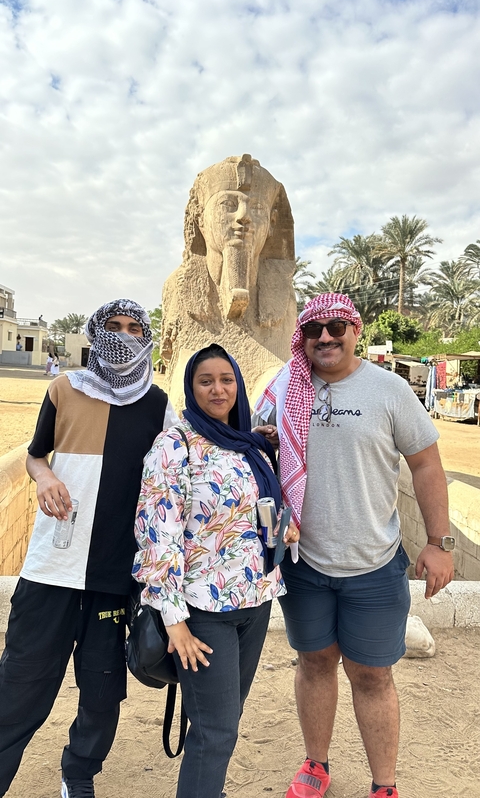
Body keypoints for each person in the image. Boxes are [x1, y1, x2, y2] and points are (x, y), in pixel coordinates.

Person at [253, 293, 454, 798]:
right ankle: (315, 765)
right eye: (315, 328)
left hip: (374, 565)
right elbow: (250, 457)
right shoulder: (282, 389)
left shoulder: (389, 390)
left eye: (336, 327)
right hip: (304, 563)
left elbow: (426, 464)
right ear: (304, 334)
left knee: (372, 675)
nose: (325, 337)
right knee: (315, 663)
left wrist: (439, 542)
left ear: (355, 330)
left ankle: (383, 785)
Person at [0, 299, 177, 798]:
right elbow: (35, 457)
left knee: (102, 693)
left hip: (113, 575)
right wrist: (45, 477)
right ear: (94, 333)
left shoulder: (159, 404)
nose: (123, 336)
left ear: (147, 336)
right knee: (20, 685)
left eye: (134, 328)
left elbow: (183, 470)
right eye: (113, 327)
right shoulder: (63, 388)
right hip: (51, 567)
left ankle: (78, 775)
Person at [133, 344, 293, 798]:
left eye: (227, 379)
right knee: (215, 732)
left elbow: (258, 511)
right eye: (206, 381)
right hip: (203, 610)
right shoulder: (174, 444)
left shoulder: (250, 444)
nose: (219, 389)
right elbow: (156, 534)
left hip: (255, 600)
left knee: (223, 722)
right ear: (191, 387)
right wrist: (174, 622)